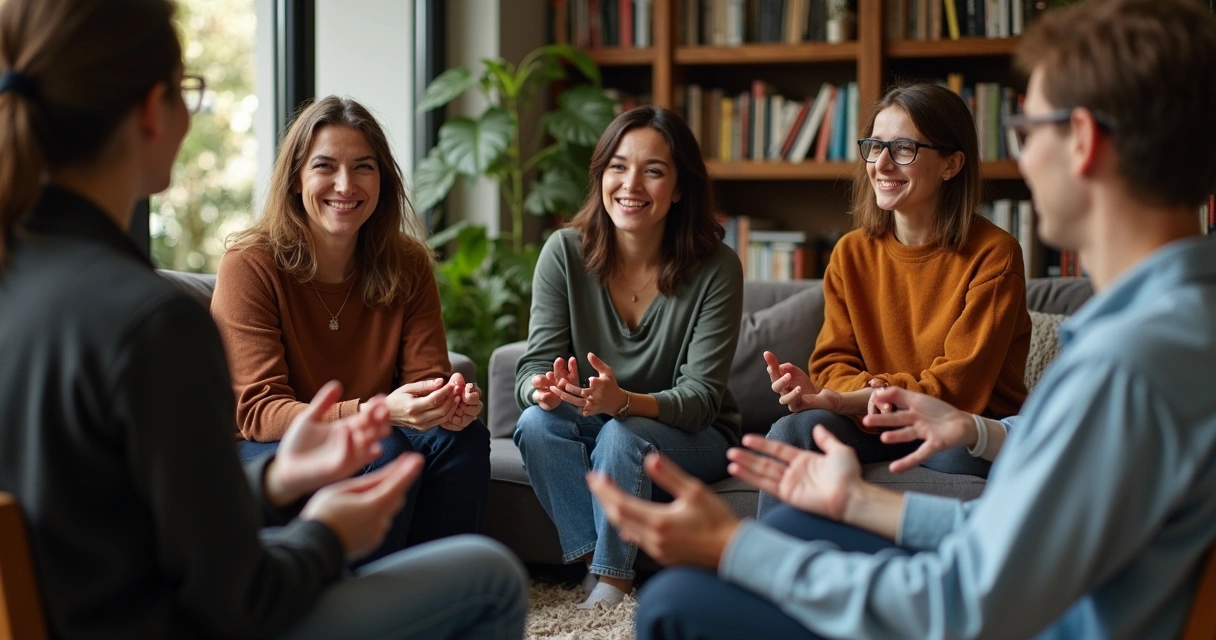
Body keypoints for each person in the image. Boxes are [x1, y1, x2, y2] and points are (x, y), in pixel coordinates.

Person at [587, 0, 1216, 637]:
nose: (1023, 157)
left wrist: (735, 548)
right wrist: (854, 497)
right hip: (977, 514)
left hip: (993, 589)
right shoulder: (1163, 332)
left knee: (676, 600)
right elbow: (1018, 534)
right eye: (875, 147)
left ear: (1081, 140)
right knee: (796, 492)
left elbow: (967, 598)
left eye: (1028, 128)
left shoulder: (1121, 367)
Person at [0, 1, 527, 638]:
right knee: (491, 574)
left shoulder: (24, 283)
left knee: (448, 444)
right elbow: (239, 597)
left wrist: (277, 482)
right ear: (150, 109)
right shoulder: (152, 322)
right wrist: (327, 537)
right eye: (188, 94)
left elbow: (145, 526)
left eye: (363, 168)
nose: (345, 183)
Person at [212, 96, 490, 562]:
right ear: (296, 179)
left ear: (382, 180)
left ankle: (434, 586)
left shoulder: (407, 263)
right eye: (325, 166)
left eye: (363, 167)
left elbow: (427, 381)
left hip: (375, 432)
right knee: (383, 445)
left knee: (461, 438)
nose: (345, 184)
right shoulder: (250, 265)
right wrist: (378, 411)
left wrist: (448, 404)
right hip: (265, 451)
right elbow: (258, 413)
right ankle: (366, 601)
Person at [757, 82, 1031, 516]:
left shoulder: (994, 254)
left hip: (957, 422)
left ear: (951, 164)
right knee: (793, 428)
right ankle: (767, 571)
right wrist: (858, 396)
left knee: (955, 454)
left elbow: (957, 389)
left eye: (903, 148)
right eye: (875, 146)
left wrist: (857, 398)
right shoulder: (851, 252)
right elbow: (831, 364)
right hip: (873, 417)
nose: (881, 163)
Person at [512, 106, 744, 608]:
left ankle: (614, 581)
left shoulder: (717, 268)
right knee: (535, 423)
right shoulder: (564, 253)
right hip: (598, 417)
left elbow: (702, 399)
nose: (630, 184)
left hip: (692, 436)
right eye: (617, 166)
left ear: (680, 188)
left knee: (623, 433)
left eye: (653, 170)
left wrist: (623, 402)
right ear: (600, 177)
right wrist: (543, 389)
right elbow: (531, 367)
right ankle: (594, 560)